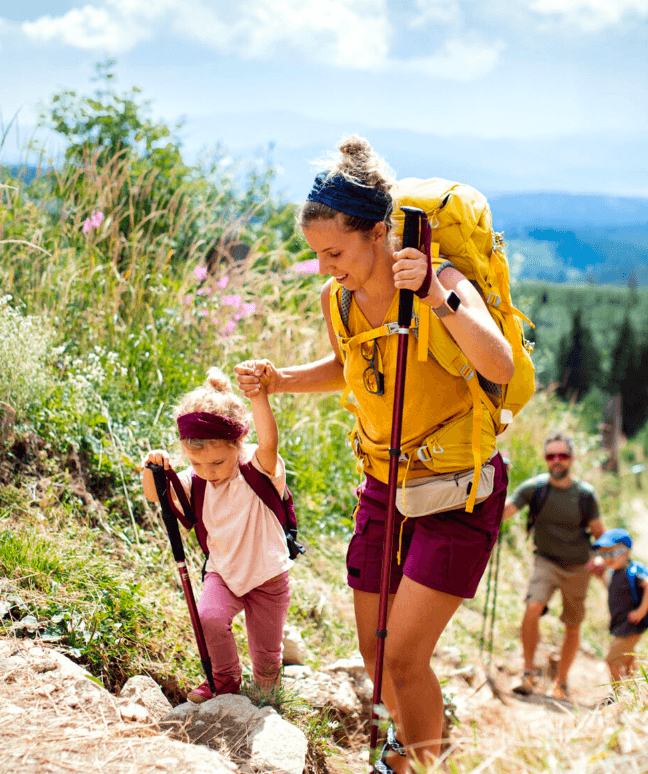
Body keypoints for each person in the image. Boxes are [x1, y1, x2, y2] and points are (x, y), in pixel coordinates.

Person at [236, 135, 513, 771]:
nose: (327, 265)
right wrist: (282, 379)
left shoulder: (441, 281)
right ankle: (410, 746)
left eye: (335, 251)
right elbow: (348, 365)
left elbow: (496, 360)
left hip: (457, 488)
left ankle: (419, 761)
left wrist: (438, 300)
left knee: (406, 658)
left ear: (379, 233)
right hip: (384, 486)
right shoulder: (339, 299)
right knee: (376, 653)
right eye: (318, 254)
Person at [142, 365, 292, 702]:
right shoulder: (194, 482)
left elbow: (269, 441)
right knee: (209, 617)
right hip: (223, 571)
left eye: (218, 463)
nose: (208, 472)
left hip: (268, 575)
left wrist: (258, 396)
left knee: (267, 656)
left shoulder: (257, 467)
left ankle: (269, 696)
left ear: (238, 445)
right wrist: (151, 468)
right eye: (197, 464)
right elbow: (155, 495)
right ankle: (225, 680)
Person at [503, 432, 605, 700]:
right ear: (545, 459)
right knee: (532, 607)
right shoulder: (534, 489)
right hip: (545, 561)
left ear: (571, 458)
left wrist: (600, 558)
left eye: (562, 455)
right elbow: (504, 511)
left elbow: (600, 535)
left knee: (573, 624)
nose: (557, 461)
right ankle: (528, 673)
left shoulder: (585, 495)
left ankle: (561, 682)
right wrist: (495, 483)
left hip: (578, 567)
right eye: (551, 456)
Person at [593, 528, 648, 686]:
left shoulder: (633, 570)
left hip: (633, 624)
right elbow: (615, 593)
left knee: (612, 661)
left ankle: (618, 693)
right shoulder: (613, 574)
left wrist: (641, 611)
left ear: (626, 552)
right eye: (604, 555)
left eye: (611, 553)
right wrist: (601, 578)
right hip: (621, 624)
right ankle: (636, 689)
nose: (607, 559)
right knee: (628, 658)